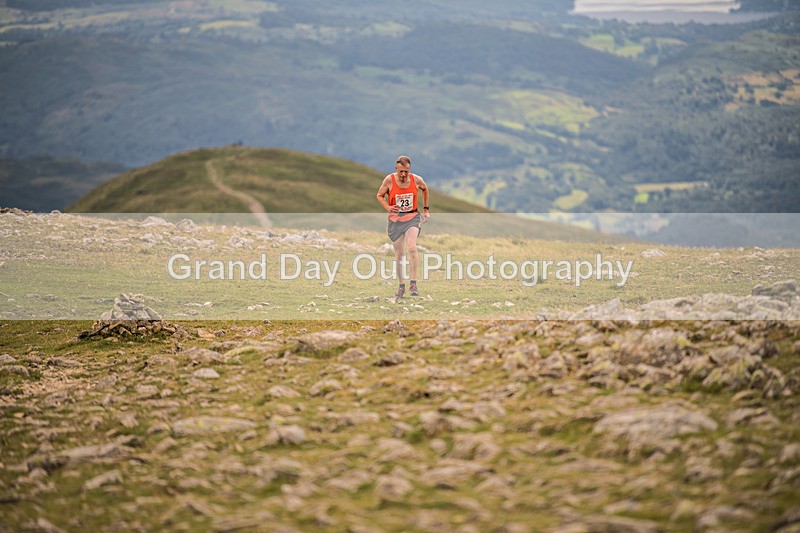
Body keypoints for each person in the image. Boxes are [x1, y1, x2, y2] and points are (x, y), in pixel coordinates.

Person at [376, 155, 430, 298]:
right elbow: (379, 195)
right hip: (395, 221)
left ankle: (413, 284)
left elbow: (425, 189)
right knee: (399, 255)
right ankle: (401, 286)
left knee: (412, 248)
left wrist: (425, 209)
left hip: (412, 218)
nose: (404, 174)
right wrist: (388, 207)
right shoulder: (389, 180)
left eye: (406, 171)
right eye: (401, 171)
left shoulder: (416, 180)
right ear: (396, 169)